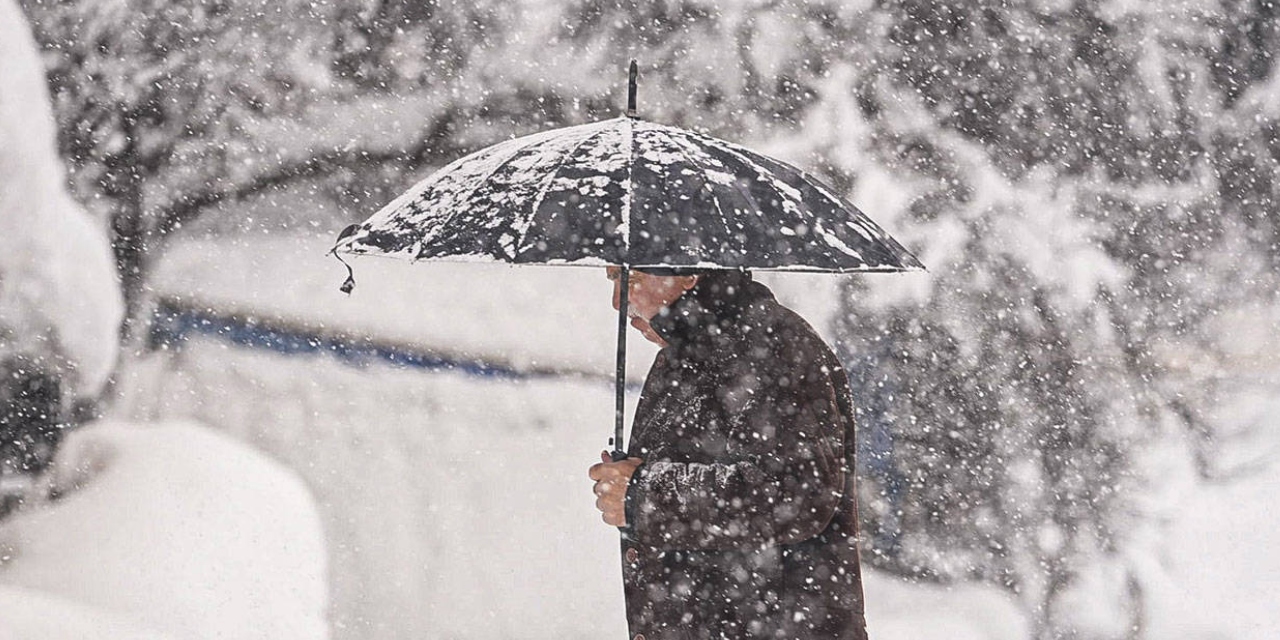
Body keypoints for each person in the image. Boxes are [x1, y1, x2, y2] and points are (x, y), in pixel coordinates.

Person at [589, 267, 869, 640]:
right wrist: (628, 483)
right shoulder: (687, 357)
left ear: (688, 274)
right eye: (613, 281)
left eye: (632, 280)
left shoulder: (772, 345)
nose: (617, 302)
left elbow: (798, 492)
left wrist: (643, 495)